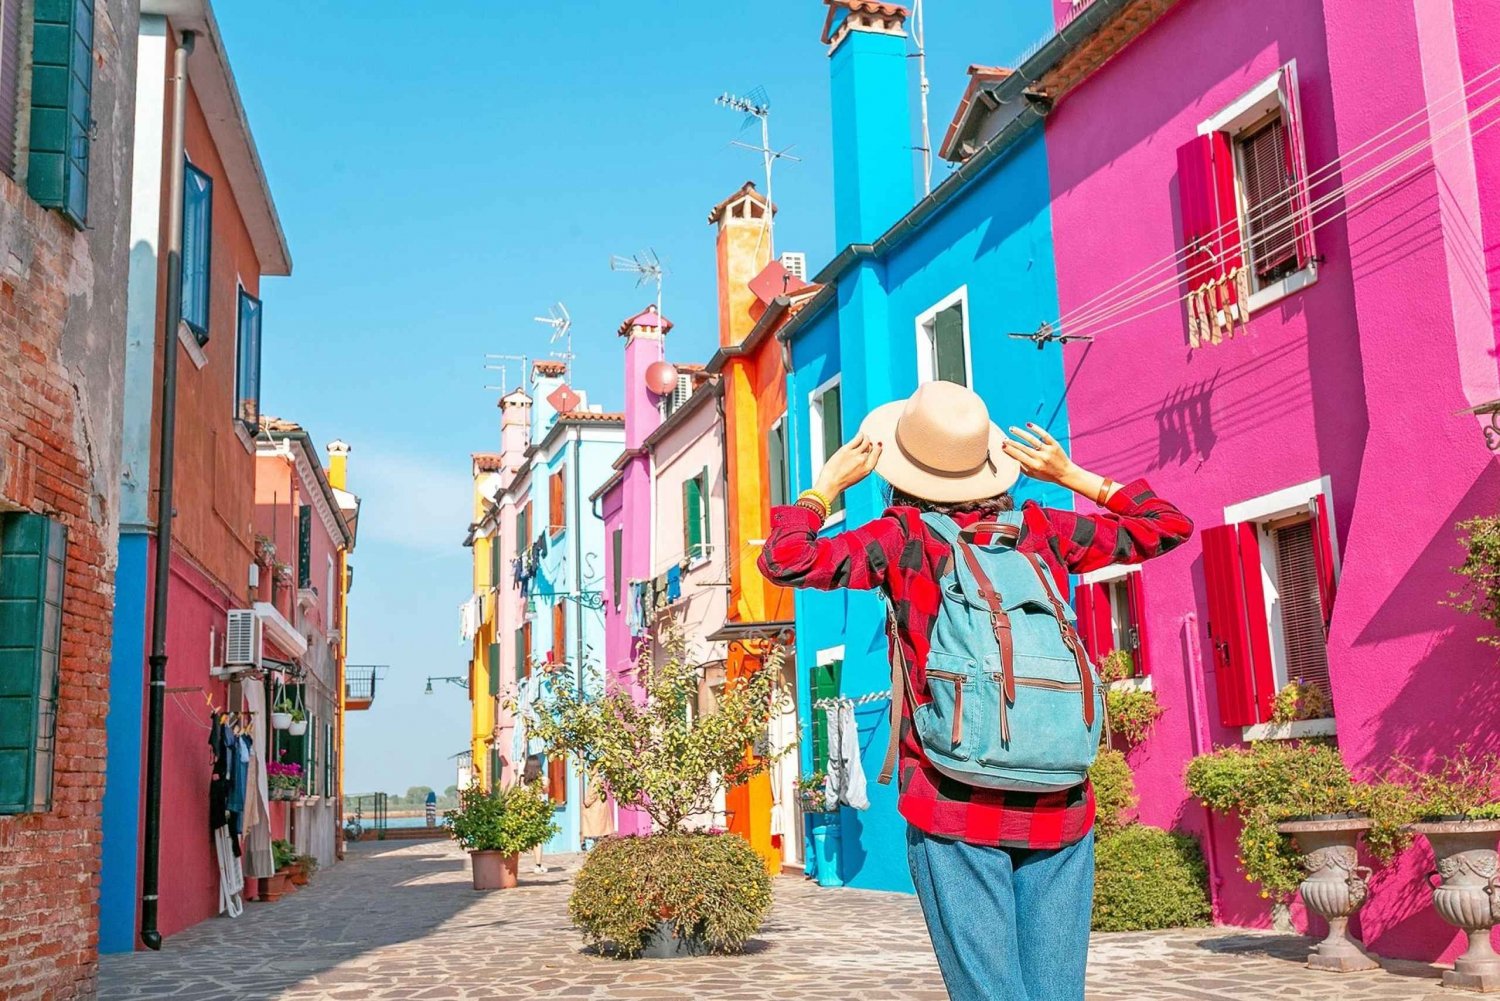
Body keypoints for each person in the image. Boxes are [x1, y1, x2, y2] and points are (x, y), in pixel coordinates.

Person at [758, 381, 1192, 1001]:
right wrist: (1073, 475)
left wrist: (822, 488)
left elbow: (786, 560)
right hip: (1060, 799)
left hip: (951, 799)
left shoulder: (902, 537)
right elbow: (1166, 526)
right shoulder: (1042, 529)